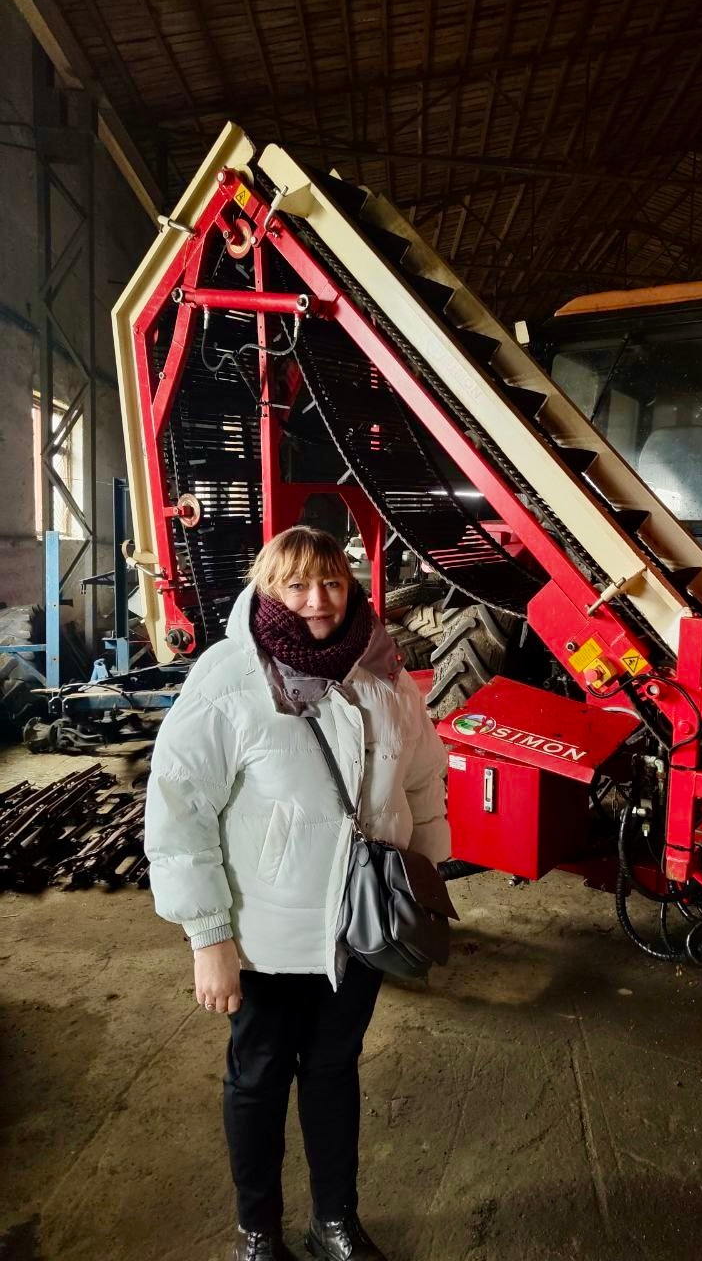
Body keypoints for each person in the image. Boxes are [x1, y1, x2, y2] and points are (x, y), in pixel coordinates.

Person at [145, 526, 450, 1261]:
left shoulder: (382, 672)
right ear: (269, 590)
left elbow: (422, 781)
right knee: (258, 1077)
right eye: (297, 584)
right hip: (266, 934)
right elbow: (179, 808)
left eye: (333, 583)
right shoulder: (230, 676)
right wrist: (208, 936)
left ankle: (334, 1221)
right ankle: (258, 1233)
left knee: (334, 1071)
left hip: (360, 928)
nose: (318, 600)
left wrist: (426, 882)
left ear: (351, 588)